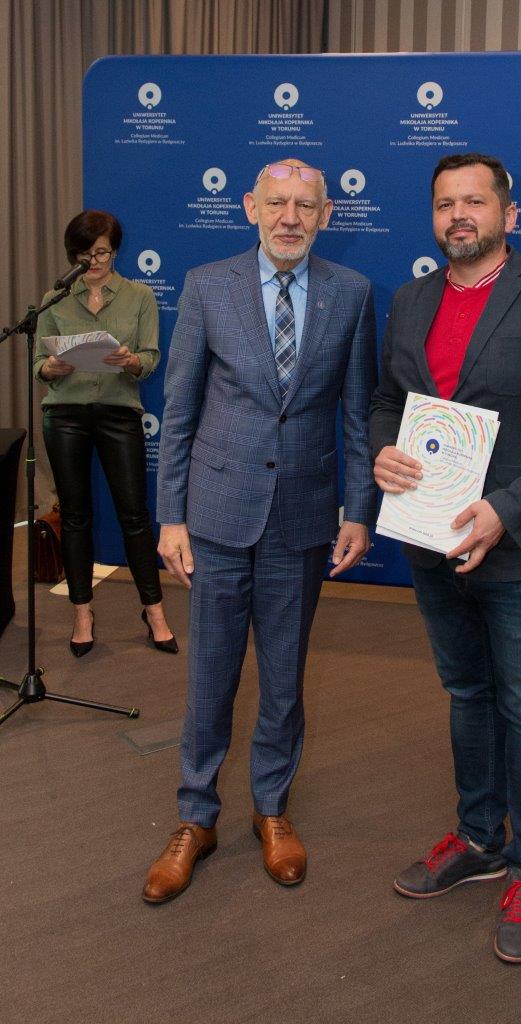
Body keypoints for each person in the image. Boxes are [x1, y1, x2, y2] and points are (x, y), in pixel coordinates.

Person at [369, 153, 521, 963]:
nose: (458, 215)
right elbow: (386, 403)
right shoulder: (411, 301)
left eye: (474, 201)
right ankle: (480, 838)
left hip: (520, 549)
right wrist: (381, 452)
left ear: (509, 215)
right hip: (431, 541)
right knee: (467, 692)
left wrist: (506, 510)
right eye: (445, 203)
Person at [143, 158, 377, 903]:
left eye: (304, 206)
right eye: (276, 203)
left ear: (327, 215)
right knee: (210, 675)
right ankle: (195, 816)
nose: (289, 218)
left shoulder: (352, 293)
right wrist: (171, 515)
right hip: (216, 516)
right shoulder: (207, 285)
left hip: (302, 520)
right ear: (249, 207)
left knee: (283, 679)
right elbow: (179, 410)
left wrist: (358, 509)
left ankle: (271, 808)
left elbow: (356, 414)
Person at [34, 210, 177, 658]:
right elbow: (39, 363)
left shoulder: (139, 296)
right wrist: (50, 367)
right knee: (75, 516)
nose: (92, 262)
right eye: (83, 254)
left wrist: (131, 361)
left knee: (134, 516)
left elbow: (150, 359)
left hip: (119, 413)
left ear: (115, 251)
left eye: (101, 252)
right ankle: (82, 613)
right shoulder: (54, 300)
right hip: (65, 414)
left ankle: (154, 611)